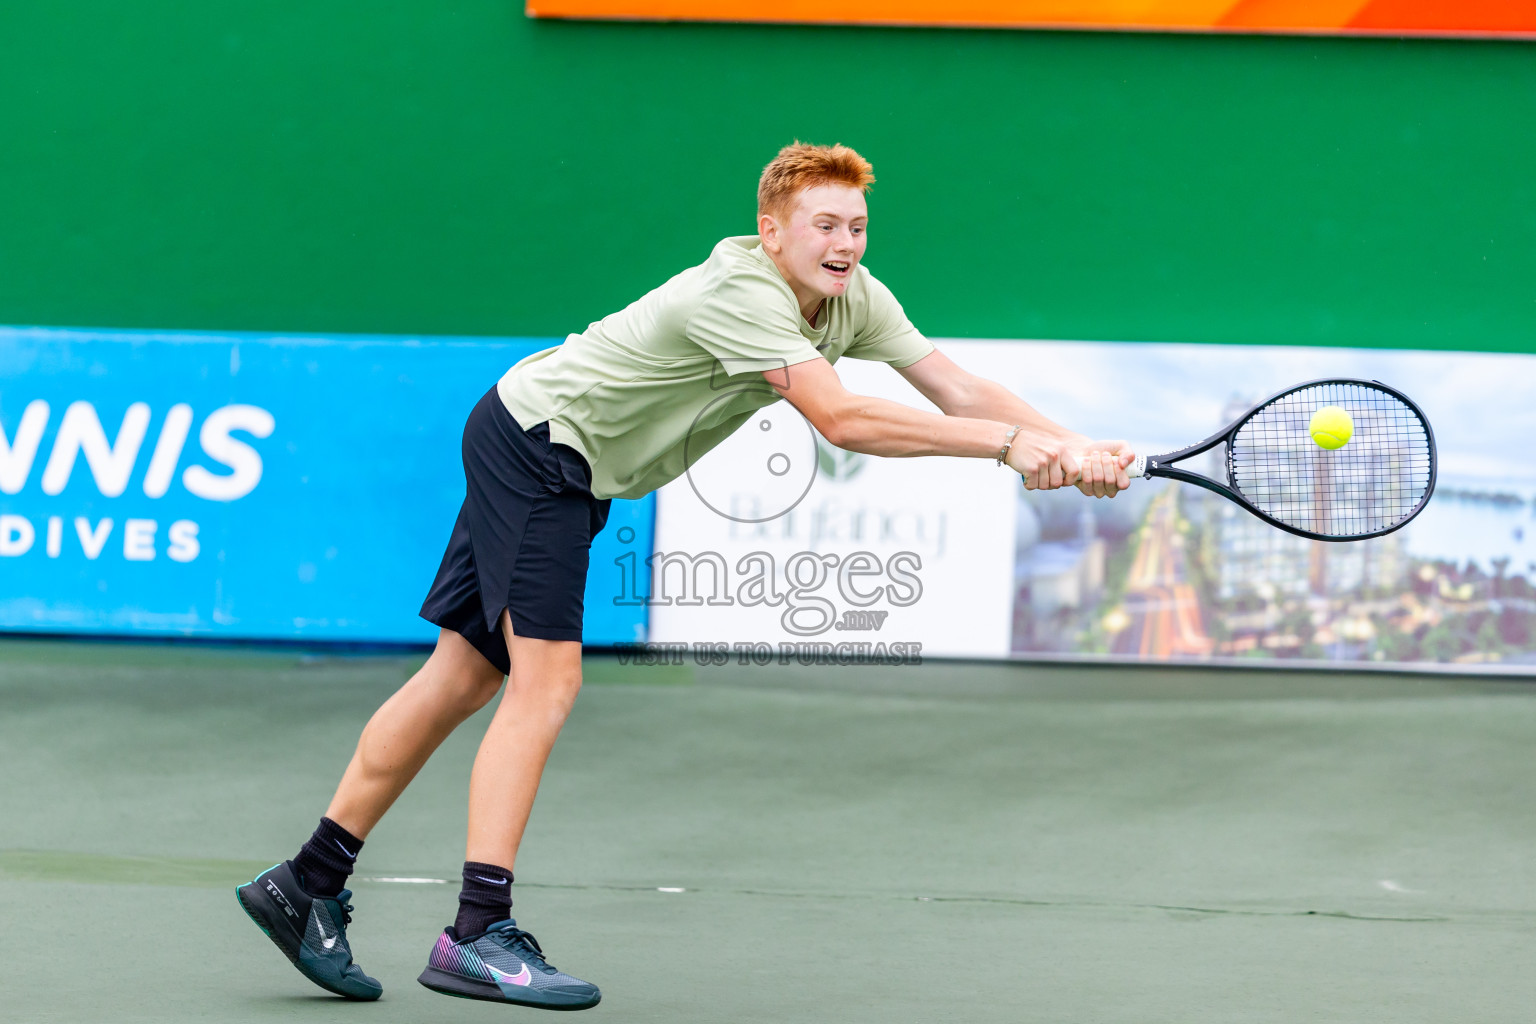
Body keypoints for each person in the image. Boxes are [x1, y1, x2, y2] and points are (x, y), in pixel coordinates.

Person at [236, 141, 1134, 1011]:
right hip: (545, 446)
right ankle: (479, 929)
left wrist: (1071, 445)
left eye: (856, 226)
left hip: (540, 441)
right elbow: (845, 419)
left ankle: (307, 882)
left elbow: (959, 389)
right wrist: (1015, 449)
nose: (844, 244)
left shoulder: (853, 296)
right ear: (771, 230)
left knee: (462, 677)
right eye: (824, 225)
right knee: (546, 684)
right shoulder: (742, 290)